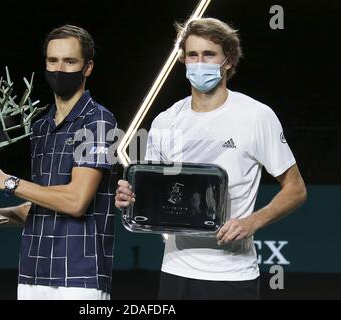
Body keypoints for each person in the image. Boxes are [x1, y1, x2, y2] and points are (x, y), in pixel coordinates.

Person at [115, 17, 307, 299]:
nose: (199, 62)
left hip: (232, 274)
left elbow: (296, 189)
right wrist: (130, 199)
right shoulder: (165, 121)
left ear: (227, 61)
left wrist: (252, 222)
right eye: (192, 55)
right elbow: (154, 195)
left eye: (209, 54)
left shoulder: (256, 116)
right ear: (183, 60)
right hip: (175, 270)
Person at [0, 25, 118, 300]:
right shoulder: (40, 125)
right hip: (32, 273)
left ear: (88, 67)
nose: (59, 69)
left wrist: (5, 181)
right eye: (52, 61)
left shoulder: (98, 122)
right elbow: (44, 202)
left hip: (79, 277)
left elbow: (75, 202)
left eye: (69, 61)